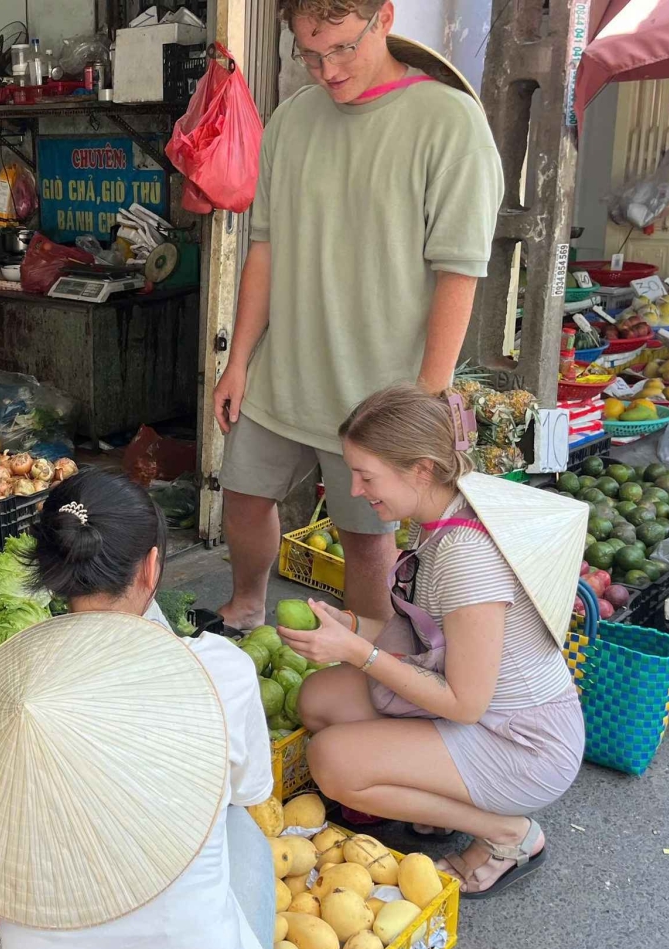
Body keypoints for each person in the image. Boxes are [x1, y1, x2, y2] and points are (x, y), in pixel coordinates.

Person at [212, 0, 503, 631]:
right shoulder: (291, 121)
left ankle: (371, 649)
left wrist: (424, 401)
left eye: (342, 48)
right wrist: (238, 362)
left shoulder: (449, 121)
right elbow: (264, 247)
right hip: (284, 372)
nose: (326, 70)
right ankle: (244, 604)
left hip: (379, 391)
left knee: (366, 536)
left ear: (385, 18)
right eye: (309, 53)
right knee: (242, 495)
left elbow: (460, 272)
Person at [0, 469, 284, 949]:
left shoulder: (13, 696)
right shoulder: (221, 673)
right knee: (244, 832)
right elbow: (250, 792)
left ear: (51, 574)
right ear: (151, 567)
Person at [282, 385, 586, 898]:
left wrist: (359, 652)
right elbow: (426, 639)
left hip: (523, 744)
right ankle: (419, 797)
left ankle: (509, 834)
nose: (355, 489)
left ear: (421, 470)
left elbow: (465, 704)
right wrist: (350, 628)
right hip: (475, 707)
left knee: (331, 761)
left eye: (366, 475)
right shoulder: (438, 518)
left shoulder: (467, 557)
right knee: (317, 698)